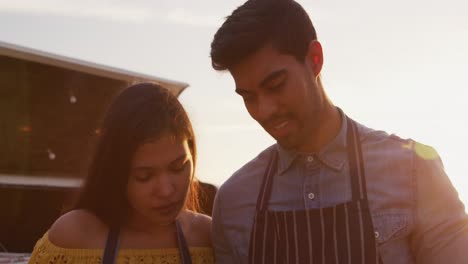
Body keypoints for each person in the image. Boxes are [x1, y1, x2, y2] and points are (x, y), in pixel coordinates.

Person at [209, 0, 468, 263]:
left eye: (276, 85)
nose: (264, 111)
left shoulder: (414, 171)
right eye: (248, 97)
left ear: (315, 60)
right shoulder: (233, 202)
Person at [28, 83, 214, 264]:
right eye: (144, 176)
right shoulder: (73, 237)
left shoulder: (208, 237)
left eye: (178, 167)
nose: (166, 190)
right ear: (115, 174)